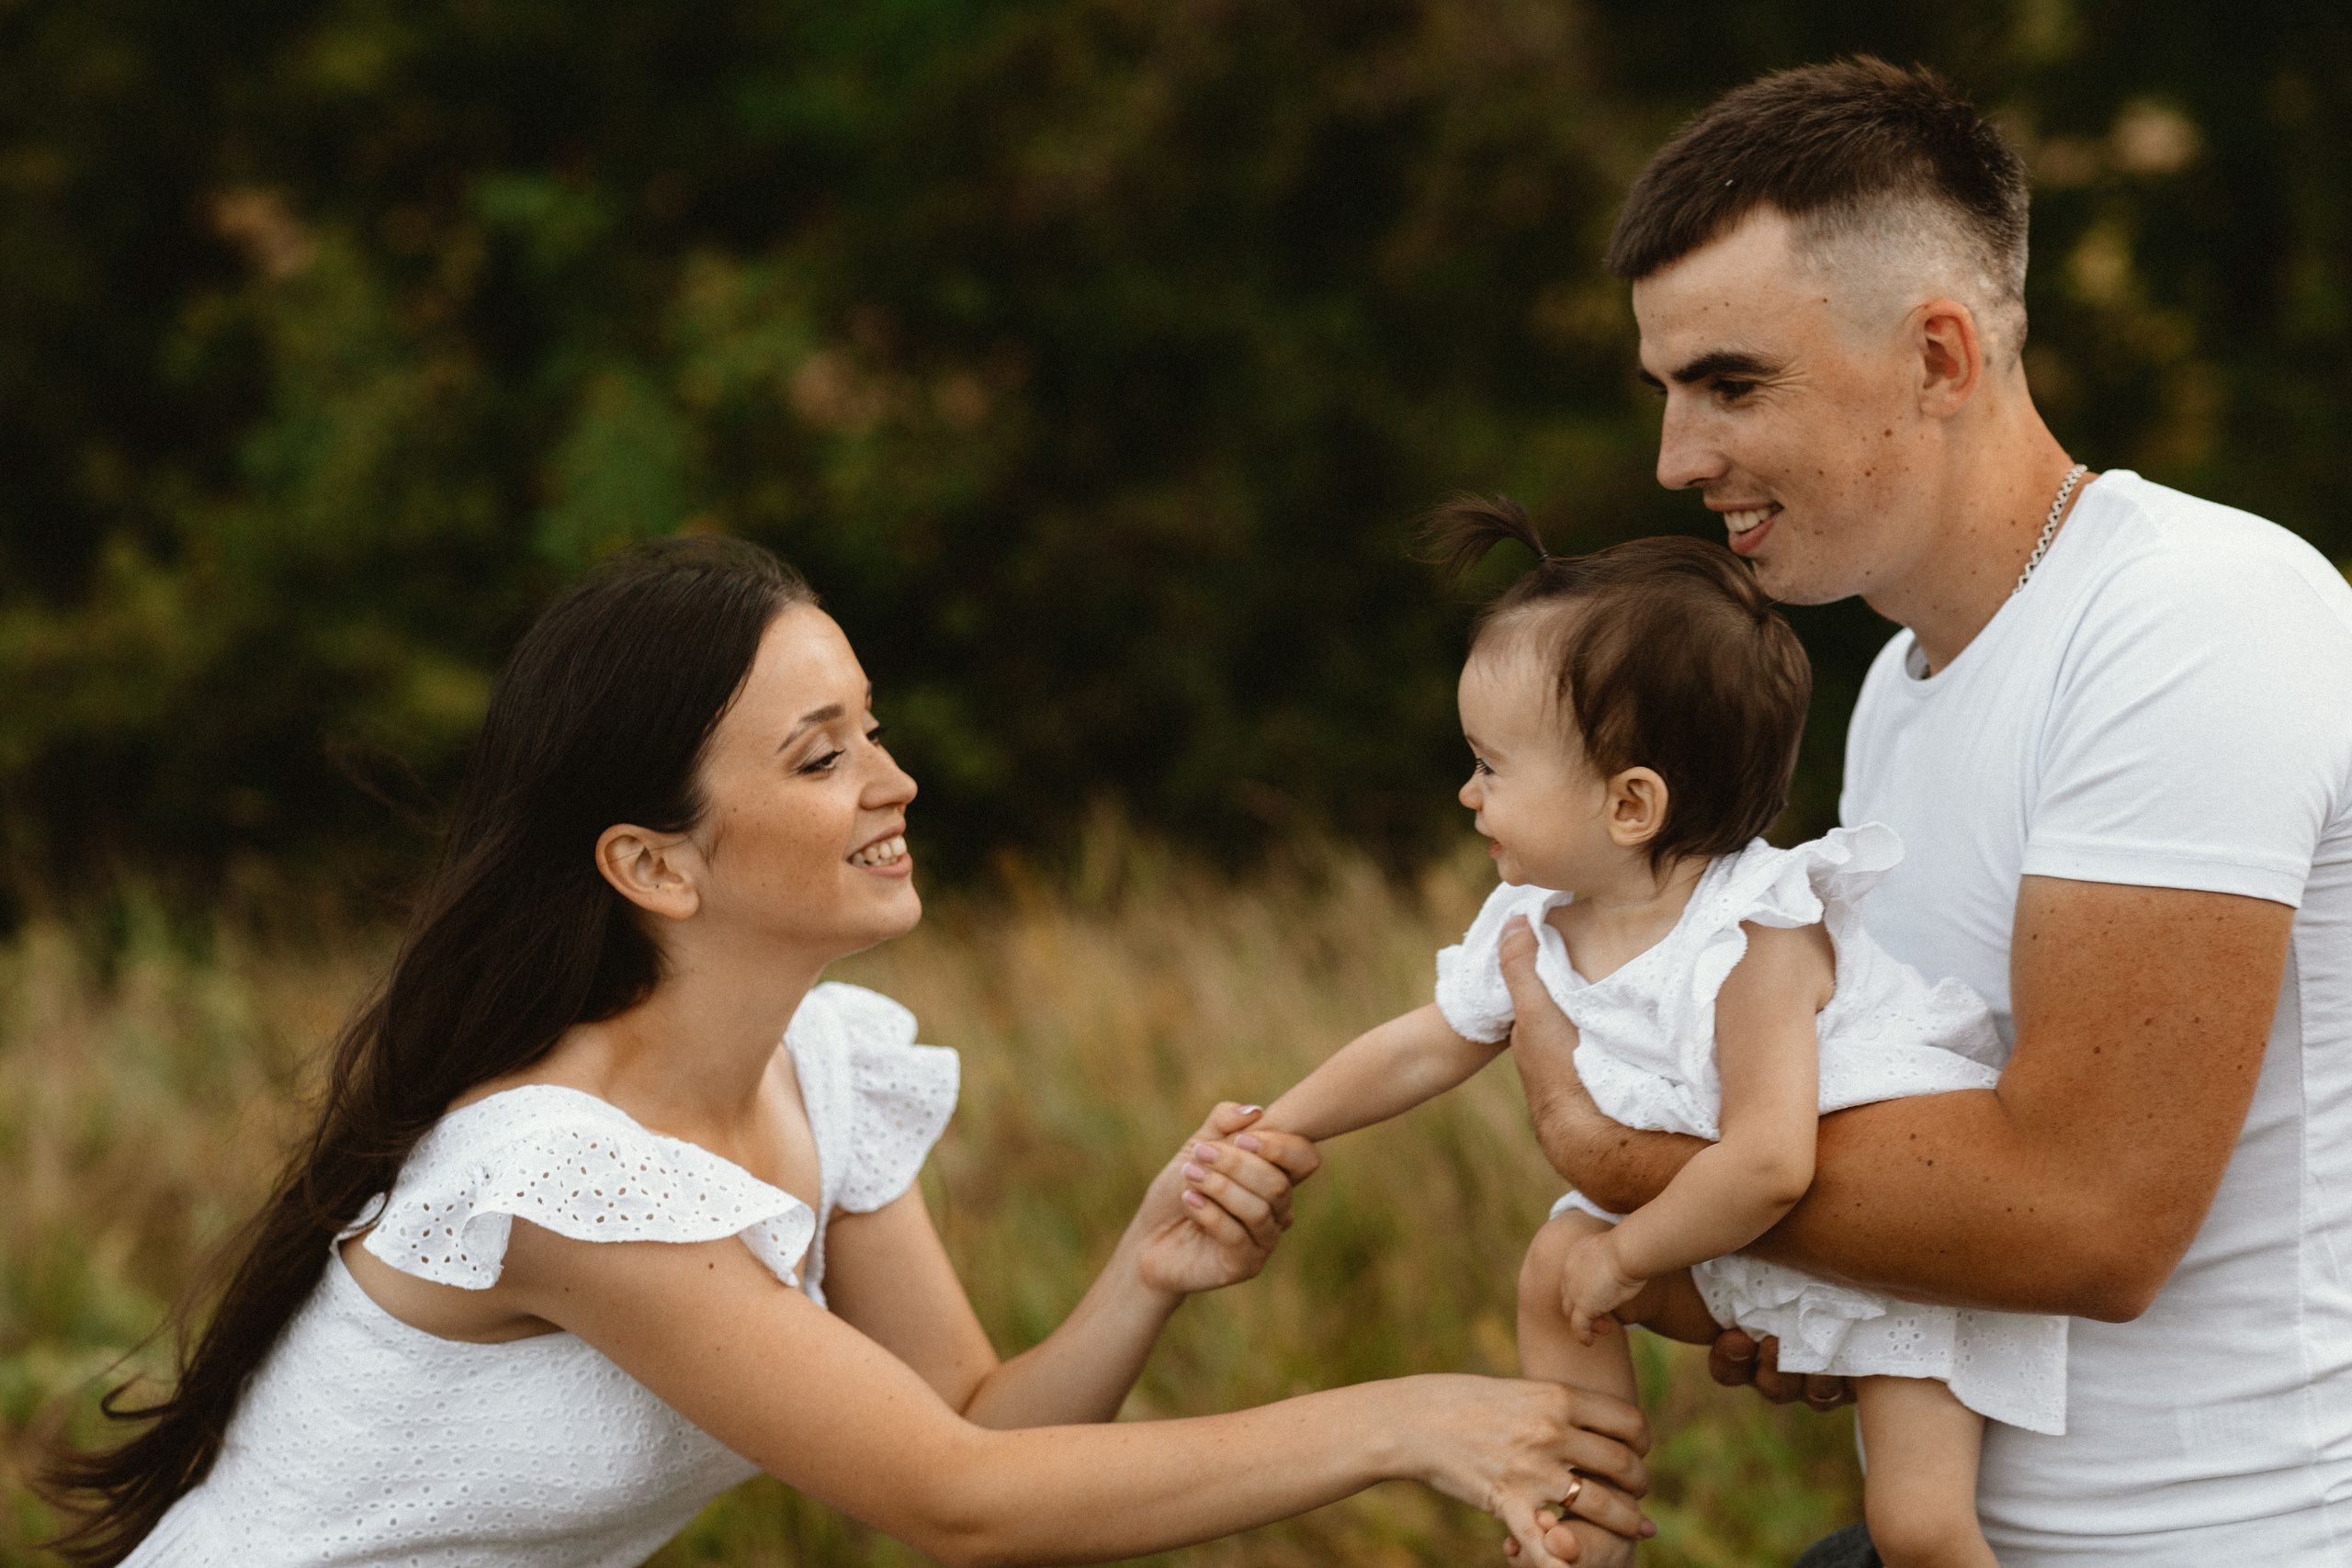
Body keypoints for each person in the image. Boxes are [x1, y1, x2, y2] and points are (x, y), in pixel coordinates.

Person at [42, 538, 1656, 1568]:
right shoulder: (554, 1166)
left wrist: (1144, 1274)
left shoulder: (821, 1066)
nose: (891, 781)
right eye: (821, 756)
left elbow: (974, 1420)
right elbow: (957, 1504)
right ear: (652, 865)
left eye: (871, 727)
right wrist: (1412, 1418)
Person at [1463, 56, 2352, 1567]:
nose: (1678, 458)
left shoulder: (2195, 618)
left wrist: (1616, 1161)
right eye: (1667, 392)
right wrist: (1813, 1303)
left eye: (1733, 383)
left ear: (1941, 355)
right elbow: (1906, 1128)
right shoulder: (1898, 687)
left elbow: (2089, 1212)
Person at [1238, 509, 2061, 1568]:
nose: (1467, 792)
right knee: (1554, 1266)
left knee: (1918, 1527)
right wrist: (1276, 1130)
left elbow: (1770, 1163)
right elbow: (1424, 1044)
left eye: (1492, 766)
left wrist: (1629, 1254)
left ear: (1630, 803)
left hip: (1896, 1263)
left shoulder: (1757, 937)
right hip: (1731, 1228)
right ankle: (1579, 1528)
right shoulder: (1537, 916)